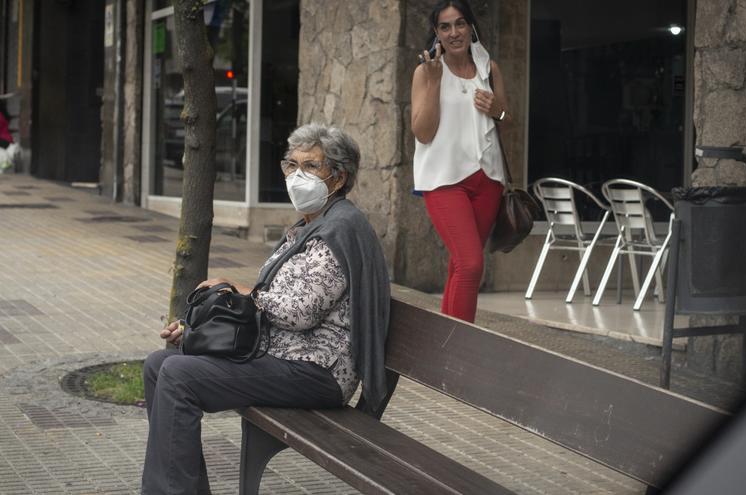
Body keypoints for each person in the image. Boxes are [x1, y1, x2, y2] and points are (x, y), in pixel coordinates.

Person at [141, 123, 391, 494]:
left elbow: (301, 311)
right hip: (282, 358)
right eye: (291, 165)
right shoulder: (309, 226)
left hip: (316, 372)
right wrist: (200, 328)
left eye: (311, 166)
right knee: (159, 365)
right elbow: (269, 306)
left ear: (338, 178)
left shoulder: (341, 229)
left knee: (178, 375)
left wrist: (242, 290)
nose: (296, 176)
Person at [411, 0, 510, 323]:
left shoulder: (488, 68)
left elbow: (505, 115)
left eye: (460, 24)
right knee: (470, 264)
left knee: (460, 265)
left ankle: (446, 353)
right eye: (445, 26)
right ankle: (460, 353)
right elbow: (423, 133)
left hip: (487, 181)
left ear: (471, 26)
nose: (454, 33)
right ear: (437, 33)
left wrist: (496, 109)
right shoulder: (426, 71)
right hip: (444, 180)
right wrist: (437, 81)